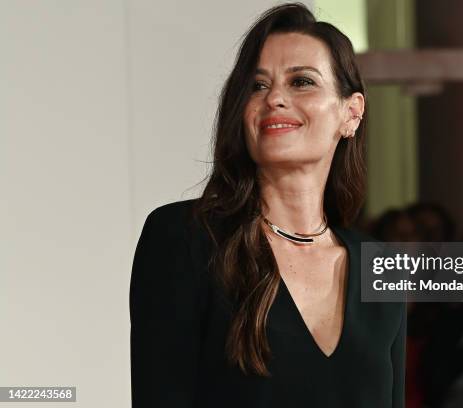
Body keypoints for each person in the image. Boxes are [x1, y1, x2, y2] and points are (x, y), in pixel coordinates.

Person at [129, 3, 406, 407]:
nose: (275, 98)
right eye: (258, 86)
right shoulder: (184, 237)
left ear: (352, 112)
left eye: (301, 82)